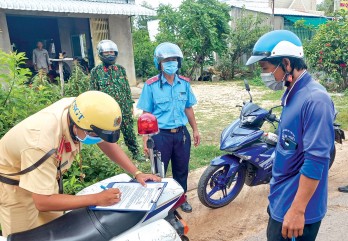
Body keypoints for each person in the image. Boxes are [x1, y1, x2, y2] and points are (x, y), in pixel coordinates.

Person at [0, 91, 160, 237]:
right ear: (76, 126)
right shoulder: (40, 143)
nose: (98, 138)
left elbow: (102, 139)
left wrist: (136, 172)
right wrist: (97, 199)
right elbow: (42, 201)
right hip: (15, 188)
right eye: (94, 134)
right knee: (26, 238)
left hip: (43, 180)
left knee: (57, 233)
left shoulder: (81, 110)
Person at [246, 30, 335, 241]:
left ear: (286, 63)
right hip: (282, 199)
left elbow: (316, 161)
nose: (264, 75)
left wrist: (297, 210)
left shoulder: (316, 100)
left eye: (266, 69)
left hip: (297, 210)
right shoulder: (292, 92)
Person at [137, 42, 201, 213]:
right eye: (166, 60)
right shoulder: (150, 86)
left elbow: (188, 107)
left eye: (174, 59)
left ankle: (180, 200)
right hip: (159, 136)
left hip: (181, 134)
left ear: (178, 62)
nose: (171, 63)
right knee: (159, 172)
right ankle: (162, 204)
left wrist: (195, 129)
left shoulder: (184, 84)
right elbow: (146, 113)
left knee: (181, 170)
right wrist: (146, 139)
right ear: (159, 63)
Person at [90, 40, 145, 162]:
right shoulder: (96, 72)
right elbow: (94, 92)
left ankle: (135, 152)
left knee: (128, 130)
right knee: (108, 132)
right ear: (101, 54)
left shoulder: (120, 69)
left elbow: (126, 88)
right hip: (107, 109)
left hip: (124, 107)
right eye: (106, 52)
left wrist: (130, 105)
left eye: (112, 52)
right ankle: (113, 156)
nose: (110, 54)